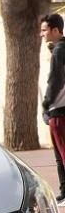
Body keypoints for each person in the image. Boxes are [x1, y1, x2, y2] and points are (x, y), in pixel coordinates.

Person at [41, 13, 65, 202]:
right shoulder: (58, 49)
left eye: (44, 30)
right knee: (59, 156)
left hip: (58, 110)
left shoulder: (59, 51)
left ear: (55, 30)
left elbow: (55, 80)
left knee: (62, 155)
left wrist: (46, 104)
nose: (42, 34)